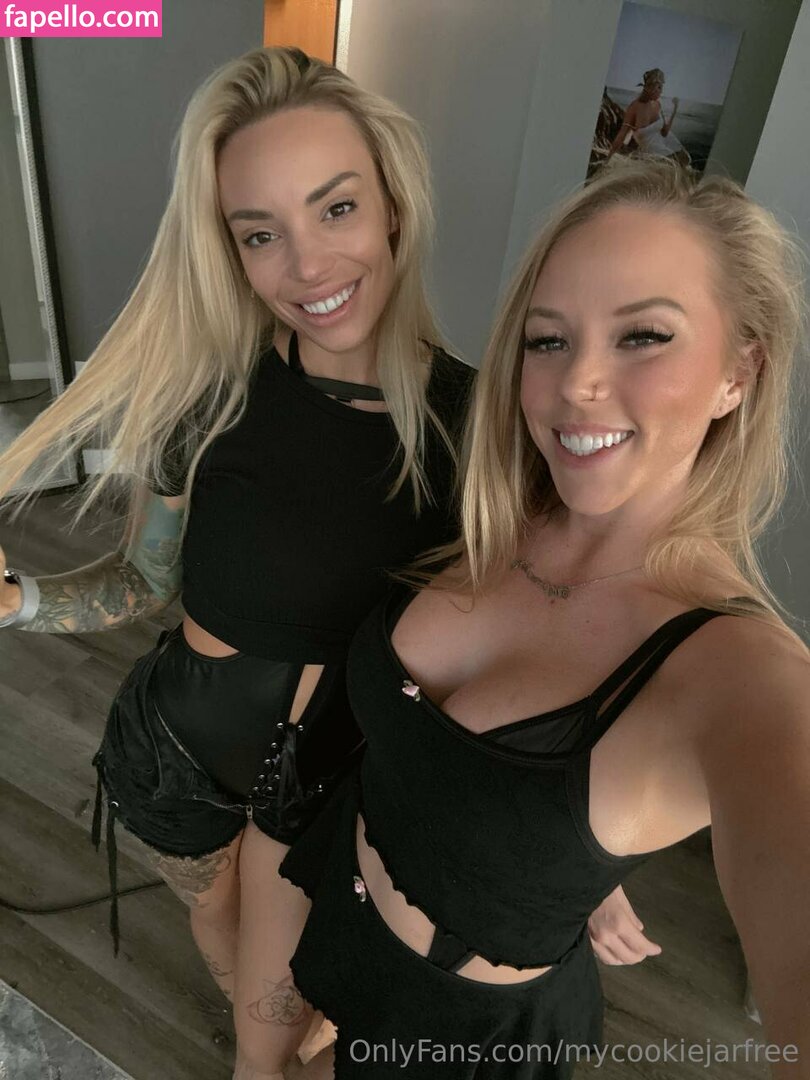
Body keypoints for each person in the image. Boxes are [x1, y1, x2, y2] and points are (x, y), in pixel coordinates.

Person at [0, 46, 477, 1079]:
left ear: (394, 206)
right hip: (173, 760)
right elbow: (140, 582)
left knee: (303, 973)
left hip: (333, 789)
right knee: (222, 925)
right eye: (261, 234)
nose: (306, 267)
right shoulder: (205, 400)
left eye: (336, 209)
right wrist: (14, 599)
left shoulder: (477, 430)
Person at [279, 157, 810, 1077]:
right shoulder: (492, 513)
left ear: (740, 371)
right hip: (348, 930)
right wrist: (569, 867)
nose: (578, 384)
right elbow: (451, 768)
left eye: (644, 336)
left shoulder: (743, 674)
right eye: (548, 340)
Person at [606, 68, 691, 168]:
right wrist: (608, 158)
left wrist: (675, 110)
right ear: (650, 87)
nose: (661, 92)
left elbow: (664, 132)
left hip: (666, 142)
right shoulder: (635, 107)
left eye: (661, 88)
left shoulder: (658, 104)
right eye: (659, 87)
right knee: (672, 166)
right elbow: (622, 134)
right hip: (654, 152)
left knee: (686, 159)